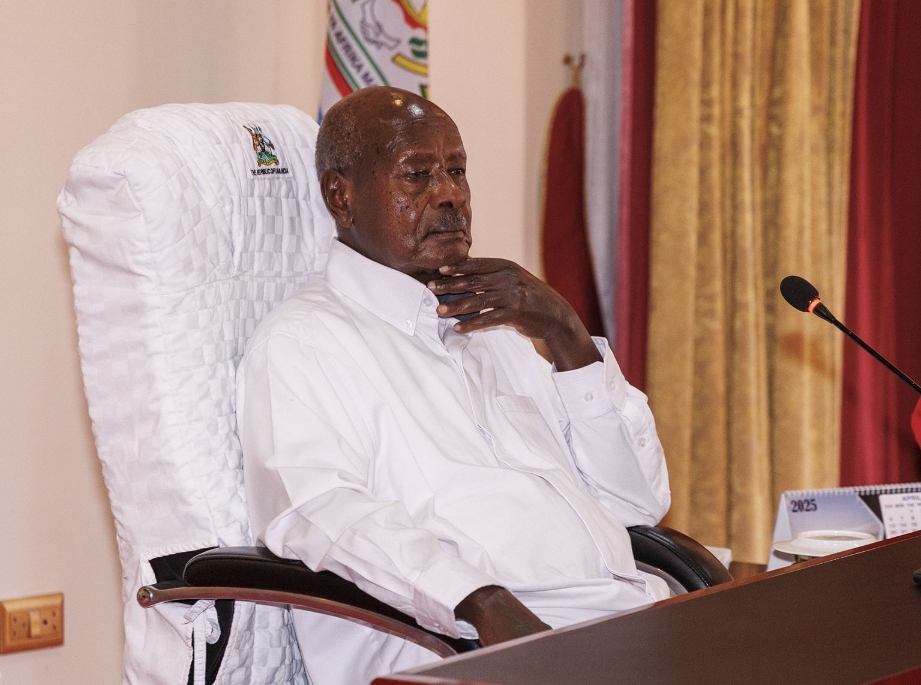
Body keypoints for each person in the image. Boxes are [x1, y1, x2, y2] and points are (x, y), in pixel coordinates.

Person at [235, 86, 671, 682]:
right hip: (469, 649)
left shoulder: (494, 329)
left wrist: (566, 335)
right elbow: (316, 510)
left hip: (619, 624)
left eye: (457, 171)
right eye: (417, 174)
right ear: (342, 195)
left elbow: (636, 502)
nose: (449, 195)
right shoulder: (304, 343)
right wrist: (480, 600)